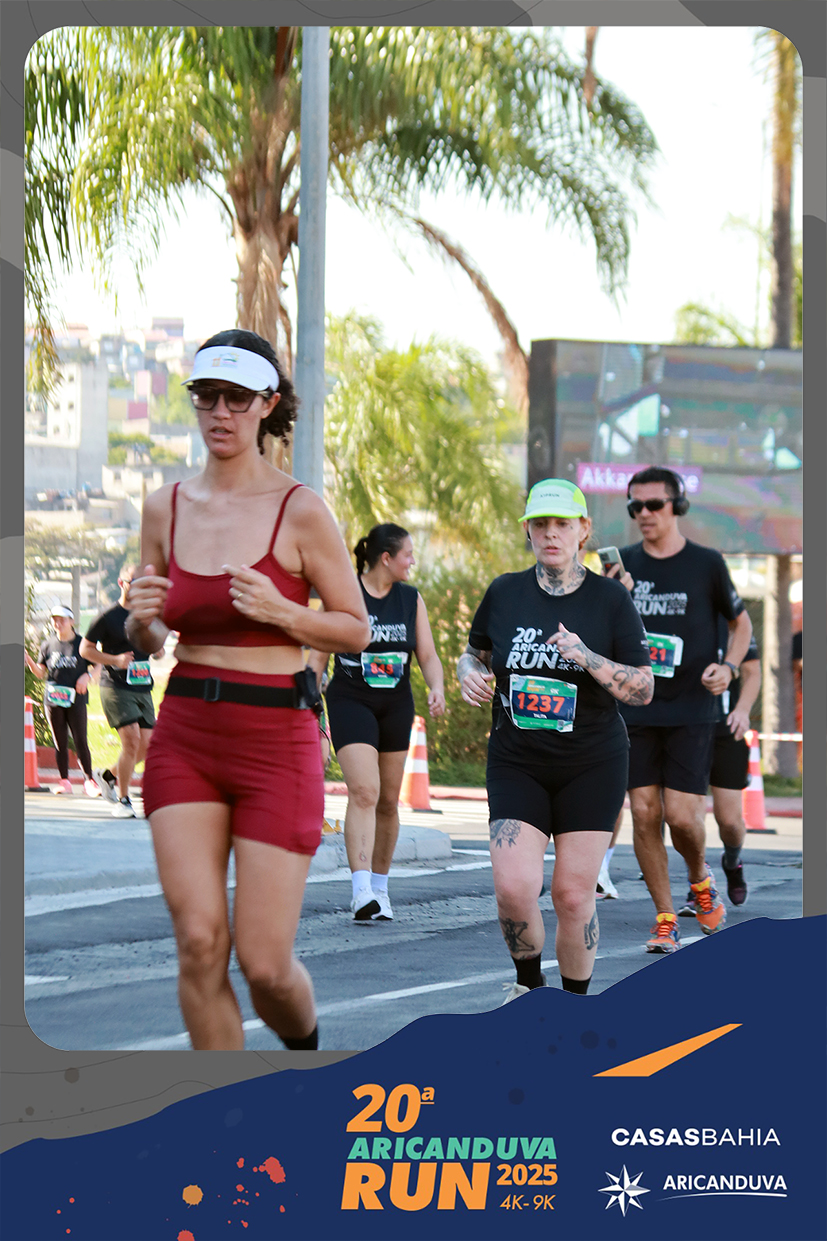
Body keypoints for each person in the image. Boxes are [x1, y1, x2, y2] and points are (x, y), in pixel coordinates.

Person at [123, 328, 370, 1052]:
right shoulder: (163, 507)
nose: (220, 413)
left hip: (275, 739)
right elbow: (152, 637)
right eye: (207, 397)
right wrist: (140, 623)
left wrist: (283, 613)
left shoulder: (301, 509)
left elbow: (355, 629)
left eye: (236, 398)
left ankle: (305, 1057)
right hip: (186, 735)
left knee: (264, 965)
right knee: (199, 942)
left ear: (268, 404)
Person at [457, 478, 653, 1002]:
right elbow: (473, 654)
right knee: (513, 889)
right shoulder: (504, 592)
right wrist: (467, 673)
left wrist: (587, 656)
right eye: (540, 524)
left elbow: (643, 688)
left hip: (592, 763)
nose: (550, 534)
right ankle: (527, 987)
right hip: (517, 760)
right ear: (527, 531)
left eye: (562, 524)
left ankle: (574, 1007)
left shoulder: (610, 599)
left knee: (571, 895)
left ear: (583, 530)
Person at [618, 466, 753, 953]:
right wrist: (614, 592)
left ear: (678, 506)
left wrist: (730, 668)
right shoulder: (622, 565)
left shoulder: (706, 563)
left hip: (694, 708)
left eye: (654, 504)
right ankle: (665, 917)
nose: (644, 513)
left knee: (681, 816)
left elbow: (741, 625)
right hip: (636, 705)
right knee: (643, 811)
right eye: (635, 506)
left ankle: (700, 878)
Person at [308, 524, 445, 923]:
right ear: (386, 558)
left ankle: (381, 890)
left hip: (396, 703)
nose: (413, 561)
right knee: (365, 791)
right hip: (351, 699)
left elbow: (427, 655)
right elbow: (317, 657)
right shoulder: (344, 594)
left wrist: (436, 687)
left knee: (387, 801)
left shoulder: (410, 599)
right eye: (408, 554)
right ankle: (361, 891)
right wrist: (311, 706)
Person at [678, 628, 761, 914]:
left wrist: (743, 710)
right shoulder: (679, 615)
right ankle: (699, 883)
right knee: (689, 818)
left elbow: (753, 672)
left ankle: (732, 862)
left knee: (730, 822)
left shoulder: (734, 624)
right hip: (685, 729)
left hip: (726, 731)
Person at [80, 566, 156, 818]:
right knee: (131, 740)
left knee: (146, 745)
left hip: (143, 685)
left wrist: (157, 647)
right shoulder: (107, 616)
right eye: (134, 582)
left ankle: (108, 775)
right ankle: (123, 801)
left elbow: (156, 647)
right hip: (115, 686)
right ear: (122, 583)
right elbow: (85, 649)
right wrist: (114, 660)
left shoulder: (146, 615)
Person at [25, 605, 99, 797]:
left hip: (76, 698)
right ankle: (64, 781)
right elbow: (41, 672)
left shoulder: (82, 644)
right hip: (53, 699)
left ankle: (89, 781)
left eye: (62, 619)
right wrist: (29, 661)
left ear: (72, 621)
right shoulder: (48, 645)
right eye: (55, 620)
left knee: (80, 739)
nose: (58, 623)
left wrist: (88, 677)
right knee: (59, 741)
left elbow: (99, 665)